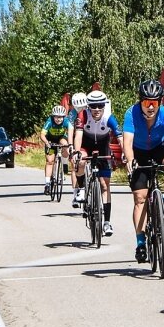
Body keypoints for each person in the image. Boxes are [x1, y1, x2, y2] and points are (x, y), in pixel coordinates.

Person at [122, 80, 164, 263]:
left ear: (160, 102)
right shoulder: (131, 113)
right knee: (140, 198)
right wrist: (130, 160)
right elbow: (127, 142)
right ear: (140, 101)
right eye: (146, 102)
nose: (151, 107)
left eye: (155, 102)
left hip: (161, 147)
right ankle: (141, 243)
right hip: (139, 151)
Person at [72, 90, 123, 237]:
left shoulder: (109, 117)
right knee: (81, 160)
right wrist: (76, 152)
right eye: (93, 106)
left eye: (100, 106)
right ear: (88, 106)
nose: (96, 109)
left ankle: (107, 222)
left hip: (102, 145)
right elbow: (79, 135)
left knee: (105, 184)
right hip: (85, 144)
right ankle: (81, 188)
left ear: (104, 105)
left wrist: (125, 152)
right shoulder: (83, 115)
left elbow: (120, 137)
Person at [40, 105, 73, 195]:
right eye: (56, 117)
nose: (58, 119)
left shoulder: (66, 121)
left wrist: (70, 145)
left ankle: (64, 163)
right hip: (50, 140)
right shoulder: (49, 121)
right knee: (49, 161)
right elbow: (42, 134)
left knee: (65, 144)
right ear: (53, 116)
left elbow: (70, 132)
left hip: (61, 138)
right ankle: (47, 184)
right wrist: (47, 142)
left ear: (64, 117)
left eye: (61, 117)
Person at [68, 92, 89, 204]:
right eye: (78, 108)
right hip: (78, 137)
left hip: (89, 137)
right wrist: (71, 146)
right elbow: (71, 131)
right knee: (75, 164)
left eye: (84, 107)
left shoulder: (91, 109)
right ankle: (76, 192)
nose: (81, 110)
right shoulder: (72, 114)